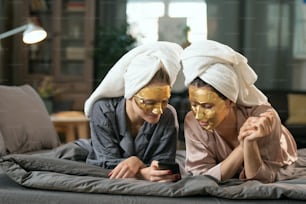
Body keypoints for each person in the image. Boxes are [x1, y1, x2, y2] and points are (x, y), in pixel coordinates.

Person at [181, 40, 298, 183]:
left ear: (230, 101)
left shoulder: (264, 118)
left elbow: (261, 177)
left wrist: (250, 143)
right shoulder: (192, 120)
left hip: (280, 142)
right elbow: (201, 175)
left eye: (207, 106)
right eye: (193, 104)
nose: (198, 115)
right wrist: (242, 147)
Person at [81, 41, 183, 182]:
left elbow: (163, 164)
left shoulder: (168, 115)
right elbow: (105, 161)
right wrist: (139, 168)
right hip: (88, 148)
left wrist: (138, 166)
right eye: (149, 102)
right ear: (130, 94)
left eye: (164, 101)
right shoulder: (102, 110)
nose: (158, 110)